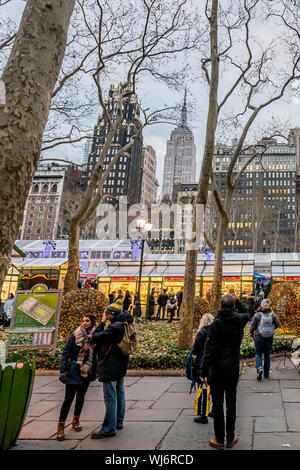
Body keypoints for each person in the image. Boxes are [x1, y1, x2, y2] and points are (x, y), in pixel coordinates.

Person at [200, 294, 250, 450]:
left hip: (217, 370)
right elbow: (248, 313)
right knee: (231, 404)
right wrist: (237, 301)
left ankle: (219, 440)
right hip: (233, 369)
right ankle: (231, 437)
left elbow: (209, 350)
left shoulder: (216, 324)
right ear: (234, 306)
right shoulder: (239, 321)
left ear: (220, 306)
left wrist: (203, 371)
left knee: (218, 405)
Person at [91, 300, 134, 438]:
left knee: (110, 398)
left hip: (110, 364)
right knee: (120, 392)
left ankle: (109, 428)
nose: (105, 315)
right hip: (121, 364)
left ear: (111, 314)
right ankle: (118, 421)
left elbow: (95, 337)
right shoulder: (126, 322)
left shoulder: (114, 327)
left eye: (107, 313)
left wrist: (102, 323)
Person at [57, 314, 97, 441]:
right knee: (68, 399)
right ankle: (60, 427)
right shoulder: (75, 334)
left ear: (92, 322)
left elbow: (98, 355)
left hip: (87, 370)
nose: (84, 323)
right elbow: (66, 353)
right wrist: (63, 370)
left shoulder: (96, 336)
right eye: (83, 320)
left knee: (81, 397)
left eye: (87, 321)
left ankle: (76, 421)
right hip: (73, 371)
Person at [192, 313, 215, 424]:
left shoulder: (201, 333)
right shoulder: (217, 333)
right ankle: (214, 410)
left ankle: (203, 415)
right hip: (215, 364)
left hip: (202, 365)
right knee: (215, 388)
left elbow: (195, 351)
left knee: (203, 389)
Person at [250, 298, 280, 381]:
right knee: (267, 355)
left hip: (259, 336)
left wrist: (251, 333)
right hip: (269, 337)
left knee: (258, 353)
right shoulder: (272, 314)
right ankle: (266, 374)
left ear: (261, 306)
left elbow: (252, 326)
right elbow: (278, 324)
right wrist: (271, 328)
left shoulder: (257, 315)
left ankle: (259, 368)